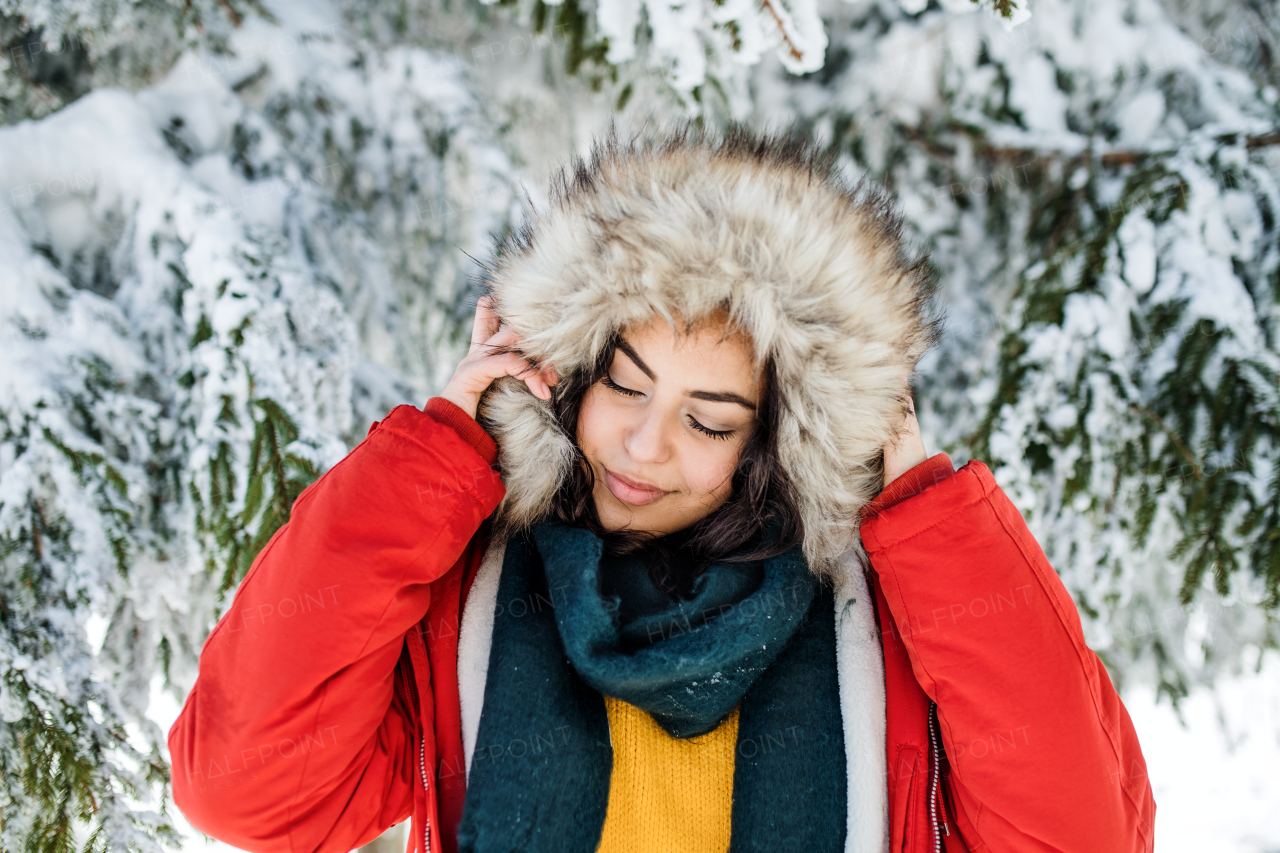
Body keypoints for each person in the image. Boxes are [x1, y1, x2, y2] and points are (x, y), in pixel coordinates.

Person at [167, 122, 1155, 853]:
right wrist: (434, 451)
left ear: (774, 441)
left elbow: (1083, 835)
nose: (642, 444)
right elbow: (246, 790)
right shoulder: (468, 598)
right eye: (624, 387)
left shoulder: (880, 622)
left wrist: (926, 506)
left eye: (708, 419)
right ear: (571, 373)